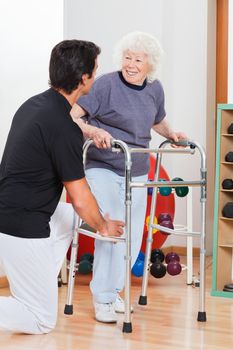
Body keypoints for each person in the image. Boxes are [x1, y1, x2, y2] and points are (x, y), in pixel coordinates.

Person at [0, 39, 124, 334]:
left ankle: (39, 282)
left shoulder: (35, 105)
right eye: (95, 69)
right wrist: (103, 227)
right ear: (84, 78)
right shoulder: (62, 126)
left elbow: (76, 208)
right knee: (42, 321)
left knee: (69, 218)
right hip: (20, 222)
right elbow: (80, 197)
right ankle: (34, 302)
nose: (97, 74)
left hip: (13, 209)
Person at [70, 31, 187, 323]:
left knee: (133, 233)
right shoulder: (106, 84)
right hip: (103, 165)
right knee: (111, 228)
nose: (131, 64)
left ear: (150, 64)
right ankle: (103, 298)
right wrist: (93, 131)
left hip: (136, 168)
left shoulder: (154, 89)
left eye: (138, 59)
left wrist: (171, 133)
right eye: (127, 57)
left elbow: (156, 120)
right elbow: (73, 114)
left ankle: (114, 291)